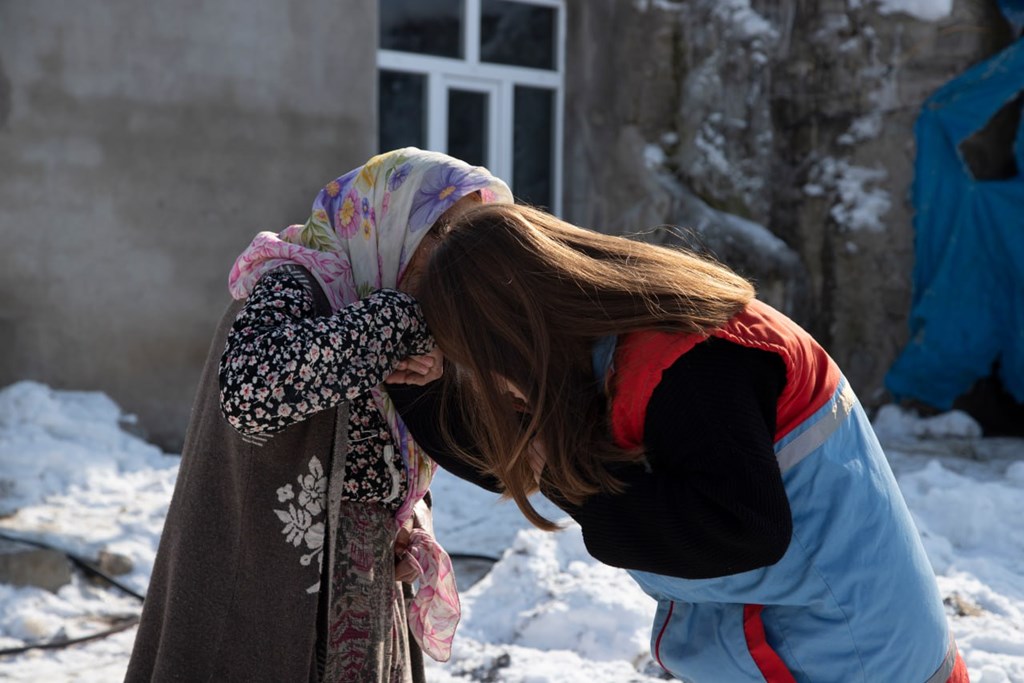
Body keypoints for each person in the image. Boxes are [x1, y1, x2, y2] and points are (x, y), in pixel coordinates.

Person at [389, 203, 969, 682]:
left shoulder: (692, 362)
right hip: (824, 643)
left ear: (513, 331)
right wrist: (416, 384)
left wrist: (571, 484)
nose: (490, 386)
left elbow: (742, 531)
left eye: (478, 363)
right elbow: (515, 457)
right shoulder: (620, 339)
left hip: (854, 656)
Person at [125, 148, 513, 682]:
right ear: (389, 218)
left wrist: (406, 524)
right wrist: (392, 323)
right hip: (270, 600)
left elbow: (384, 454)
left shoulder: (389, 301)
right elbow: (251, 391)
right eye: (442, 233)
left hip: (361, 597)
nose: (455, 259)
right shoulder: (297, 281)